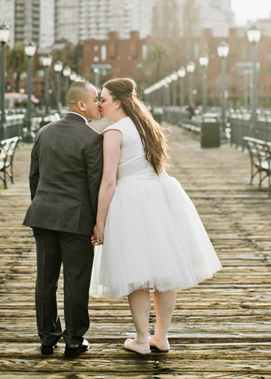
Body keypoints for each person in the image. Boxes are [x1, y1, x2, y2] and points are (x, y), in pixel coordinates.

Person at [91, 78, 222, 355]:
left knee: (136, 270)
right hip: (161, 194)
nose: (99, 104)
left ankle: (141, 339)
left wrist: (99, 222)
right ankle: (161, 337)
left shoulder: (114, 132)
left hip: (132, 199)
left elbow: (108, 182)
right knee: (165, 268)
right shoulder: (145, 125)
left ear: (117, 101)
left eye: (102, 98)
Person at [22, 81, 104, 359]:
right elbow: (95, 187)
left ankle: (47, 339)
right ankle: (73, 340)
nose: (99, 104)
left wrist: (42, 204)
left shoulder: (44, 132)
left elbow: (34, 177)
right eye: (95, 99)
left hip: (42, 216)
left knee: (45, 280)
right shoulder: (93, 138)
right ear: (82, 105)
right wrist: (97, 222)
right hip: (76, 220)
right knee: (75, 280)